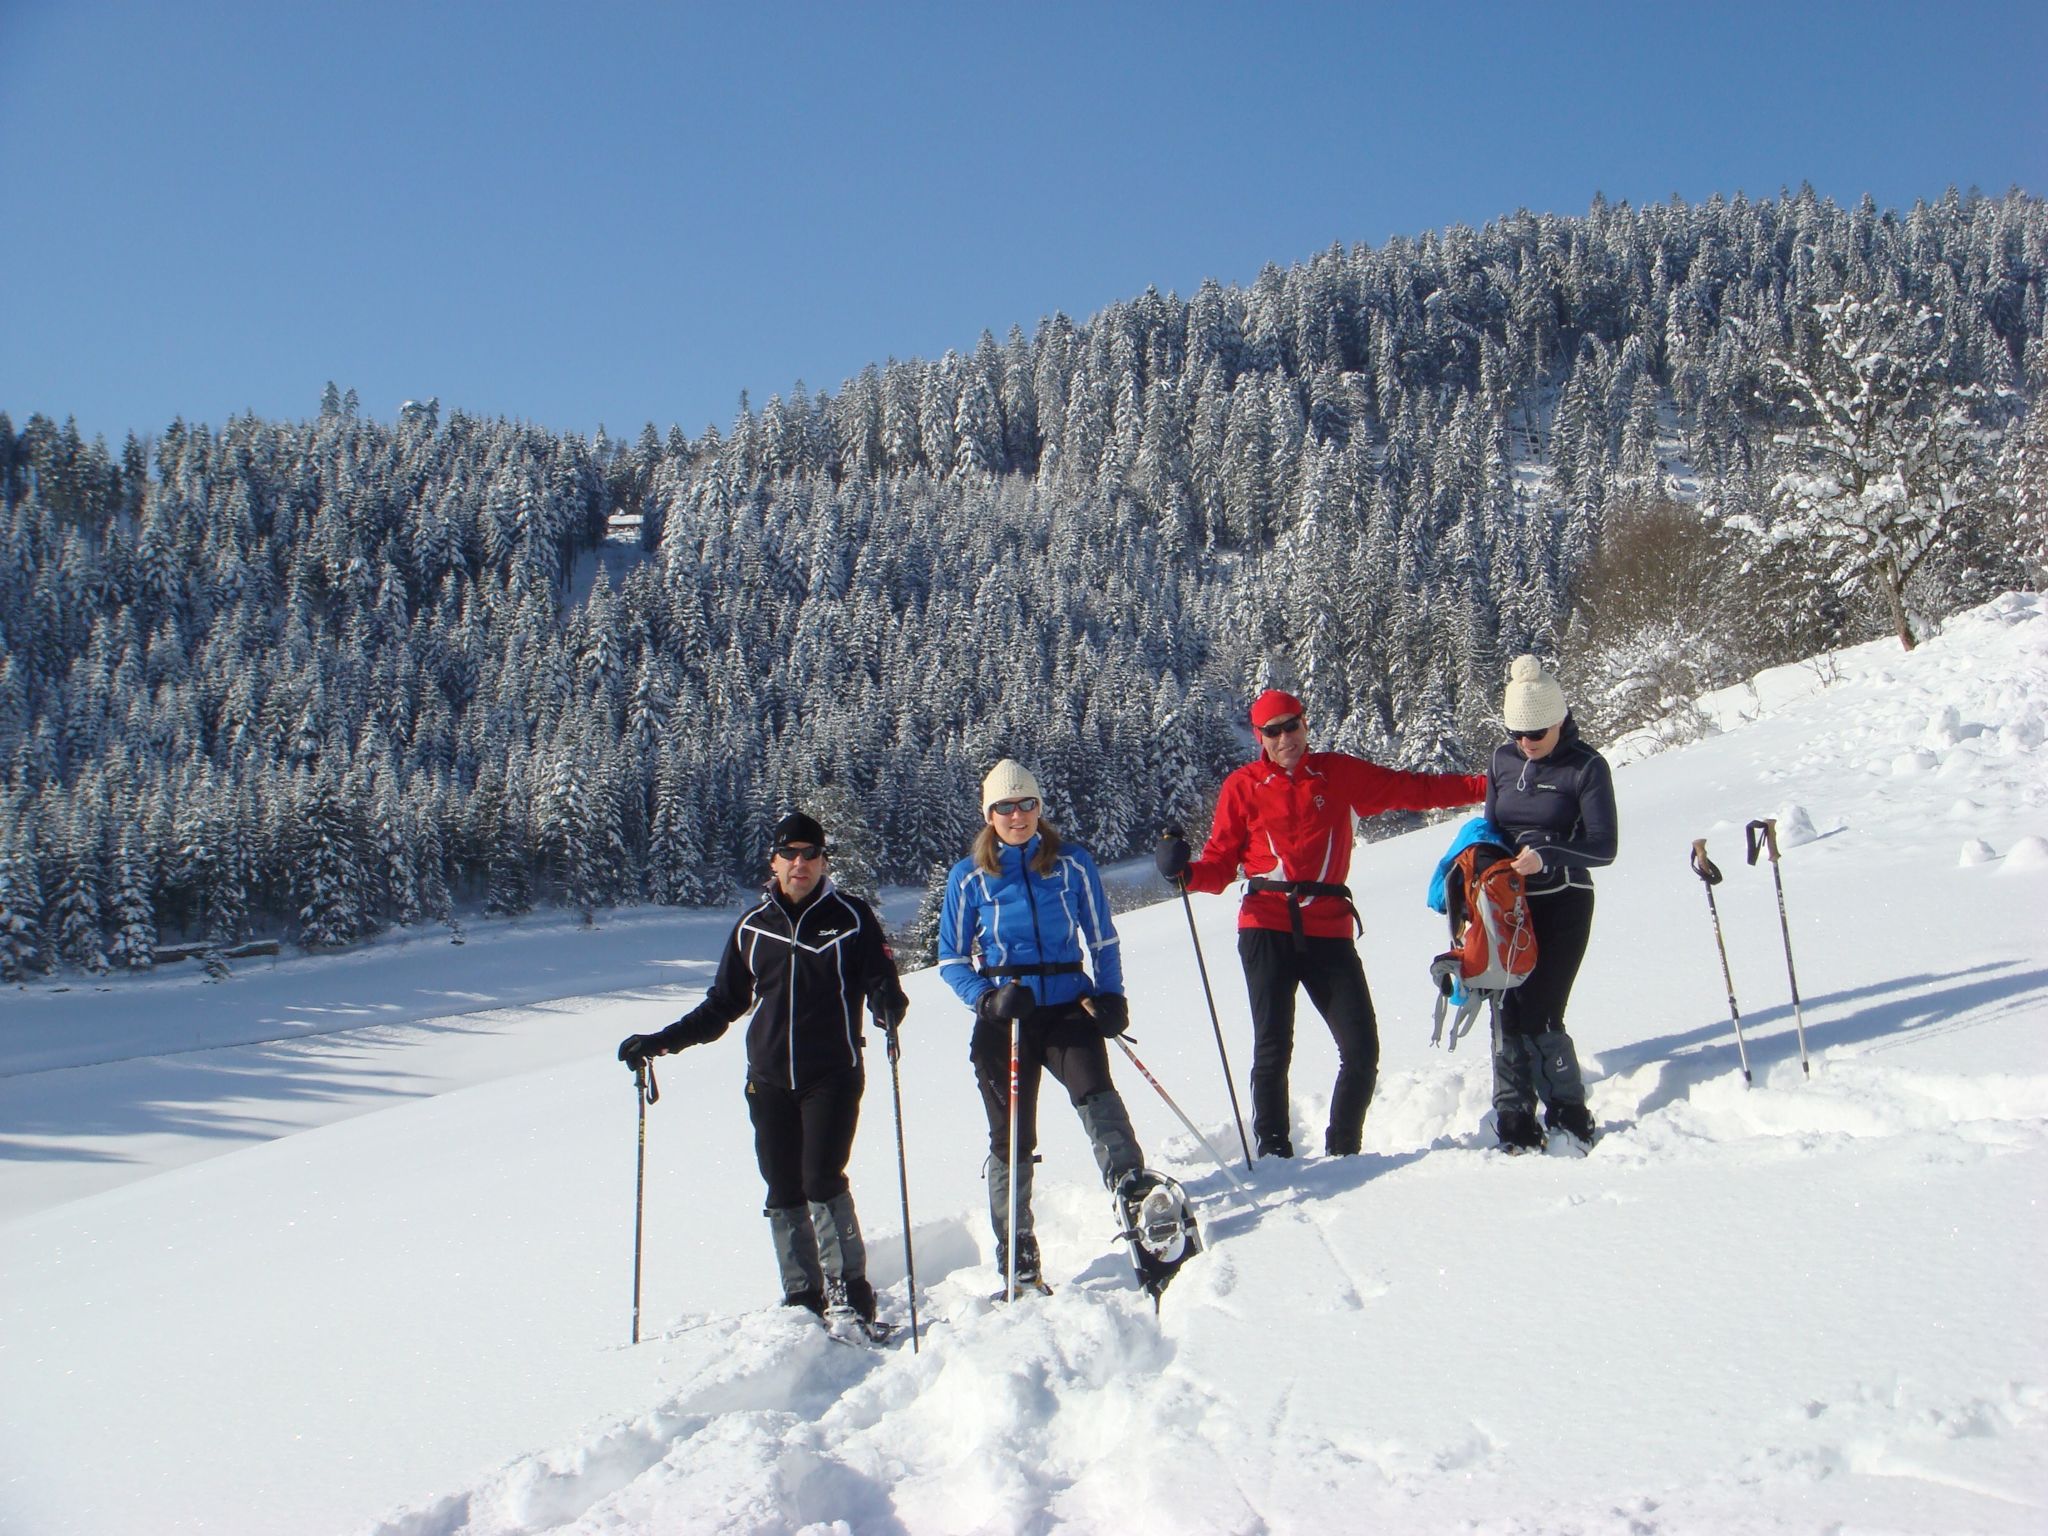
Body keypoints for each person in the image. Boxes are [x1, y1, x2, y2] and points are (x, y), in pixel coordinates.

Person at [1158, 690, 1486, 1158]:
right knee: (1273, 1047)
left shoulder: (1338, 774)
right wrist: (1184, 872)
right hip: (1265, 925)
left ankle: (1343, 1150)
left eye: (1292, 725)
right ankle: (1274, 1154)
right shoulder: (1243, 786)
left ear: (1305, 724)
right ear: (1260, 738)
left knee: (1361, 1050)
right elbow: (1219, 864)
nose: (1285, 737)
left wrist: (1485, 786)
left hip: (1329, 927)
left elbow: (1415, 789)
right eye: (1273, 731)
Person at [617, 811, 908, 1321]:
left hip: (833, 1072)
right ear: (773, 861)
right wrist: (660, 1042)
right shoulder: (754, 927)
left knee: (821, 1178)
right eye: (789, 854)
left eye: (810, 854)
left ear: (823, 860)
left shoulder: (852, 916)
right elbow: (722, 1005)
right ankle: (802, 1297)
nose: (800, 863)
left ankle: (850, 1290)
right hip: (769, 1079)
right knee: (782, 1186)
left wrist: (887, 1006)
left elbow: (884, 982)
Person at [938, 759, 1144, 1290]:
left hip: (1066, 1008)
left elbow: (1102, 938)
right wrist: (986, 1000)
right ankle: (1017, 1249)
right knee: (1011, 1134)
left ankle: (1137, 1198)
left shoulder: (1071, 864)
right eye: (1004, 806)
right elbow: (951, 959)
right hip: (1006, 1017)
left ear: (1039, 808)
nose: (1017, 815)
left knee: (1097, 1097)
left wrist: (1111, 994)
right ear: (989, 814)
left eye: (1026, 803)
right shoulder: (969, 877)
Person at [1482, 656, 1618, 1151]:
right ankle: (1513, 1112)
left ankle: (1567, 1107)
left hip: (1564, 899)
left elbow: (1604, 847)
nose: (1526, 743)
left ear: (1559, 720)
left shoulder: (1586, 766)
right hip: (1508, 903)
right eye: (1517, 732)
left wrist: (1549, 855)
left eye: (1536, 733)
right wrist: (1477, 858)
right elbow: (1492, 826)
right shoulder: (1502, 761)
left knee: (1541, 1007)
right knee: (1505, 1006)